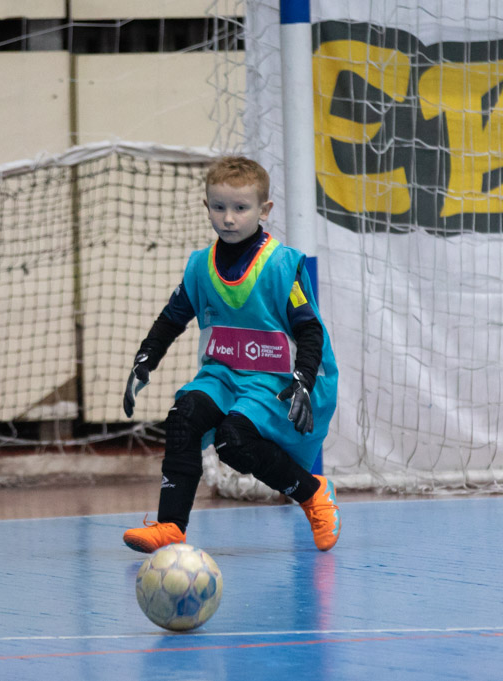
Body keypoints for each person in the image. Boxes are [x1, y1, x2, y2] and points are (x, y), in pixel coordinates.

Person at [121, 155, 340, 554]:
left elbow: (309, 330)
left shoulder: (280, 265)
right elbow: (172, 318)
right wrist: (145, 358)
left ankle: (312, 493)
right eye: (219, 207)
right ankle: (170, 526)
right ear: (206, 206)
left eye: (240, 208)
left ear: (264, 210)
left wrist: (304, 379)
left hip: (274, 380)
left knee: (232, 441)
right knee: (183, 417)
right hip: (222, 375)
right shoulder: (200, 266)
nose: (228, 218)